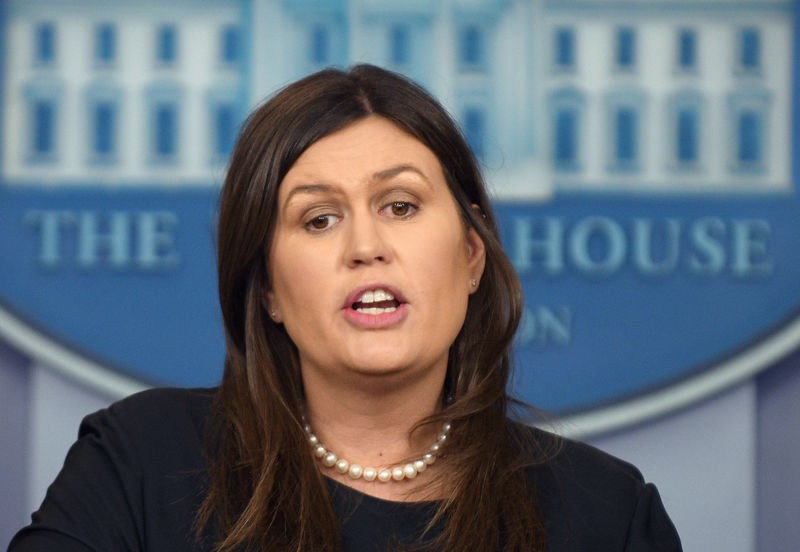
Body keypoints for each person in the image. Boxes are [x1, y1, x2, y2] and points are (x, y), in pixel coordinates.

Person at [9, 64, 681, 552]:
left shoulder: (606, 512)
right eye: (319, 219)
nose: (366, 246)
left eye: (401, 207)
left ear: (472, 254)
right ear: (268, 288)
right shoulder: (142, 460)